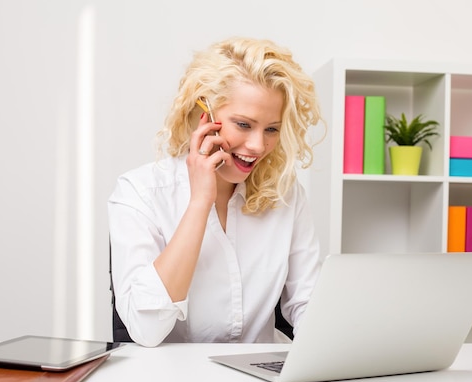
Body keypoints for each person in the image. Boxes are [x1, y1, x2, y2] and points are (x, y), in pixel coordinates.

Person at [108, 37, 324, 347]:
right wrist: (199, 203)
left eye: (272, 129)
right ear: (203, 116)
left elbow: (308, 304)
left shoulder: (286, 195)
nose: (258, 145)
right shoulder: (139, 193)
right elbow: (146, 330)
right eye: (243, 124)